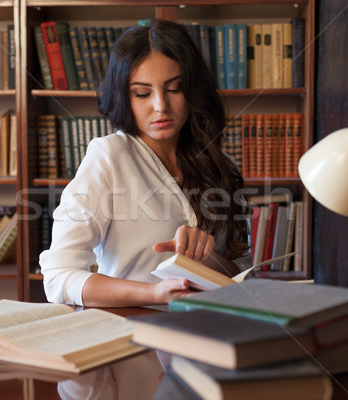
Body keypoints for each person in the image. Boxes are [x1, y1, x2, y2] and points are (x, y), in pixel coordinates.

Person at [39, 19, 250, 307]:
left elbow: (241, 276)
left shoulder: (221, 164)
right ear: (125, 97)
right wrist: (153, 293)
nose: (161, 105)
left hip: (211, 335)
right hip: (132, 334)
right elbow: (58, 277)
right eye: (142, 93)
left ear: (193, 90)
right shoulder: (109, 156)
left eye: (174, 88)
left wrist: (205, 256)